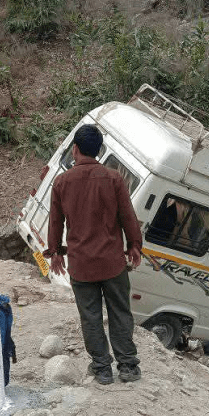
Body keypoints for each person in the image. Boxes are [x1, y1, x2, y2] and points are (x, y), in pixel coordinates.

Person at [46, 124, 143, 385]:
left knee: (90, 317)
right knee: (120, 312)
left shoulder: (62, 182)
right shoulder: (113, 178)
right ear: (99, 150)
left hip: (81, 265)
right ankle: (128, 366)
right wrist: (135, 245)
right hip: (112, 263)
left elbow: (56, 222)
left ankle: (102, 369)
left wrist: (55, 252)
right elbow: (128, 215)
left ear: (75, 149)